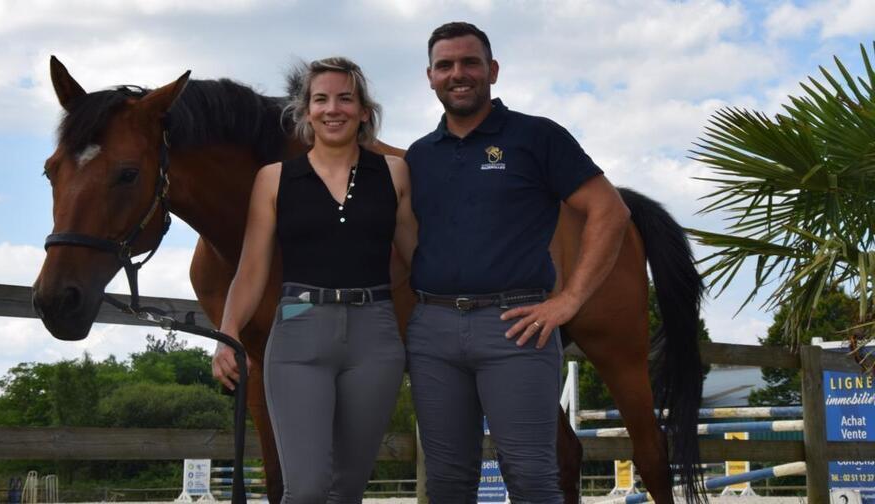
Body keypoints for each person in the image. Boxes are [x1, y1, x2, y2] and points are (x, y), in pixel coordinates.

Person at [405, 22, 631, 503]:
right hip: (433, 330)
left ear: (493, 70)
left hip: (515, 327)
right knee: (445, 484)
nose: (458, 73)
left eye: (470, 62)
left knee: (531, 479)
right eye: (445, 65)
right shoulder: (419, 157)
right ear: (430, 77)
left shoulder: (536, 137)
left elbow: (610, 211)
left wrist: (569, 301)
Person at [211, 56, 417, 504]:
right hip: (299, 332)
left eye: (346, 98)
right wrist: (227, 332)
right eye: (320, 99)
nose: (333, 109)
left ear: (364, 110)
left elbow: (418, 260)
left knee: (347, 490)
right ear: (305, 112)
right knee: (304, 489)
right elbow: (251, 270)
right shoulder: (273, 180)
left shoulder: (395, 174)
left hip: (375, 339)